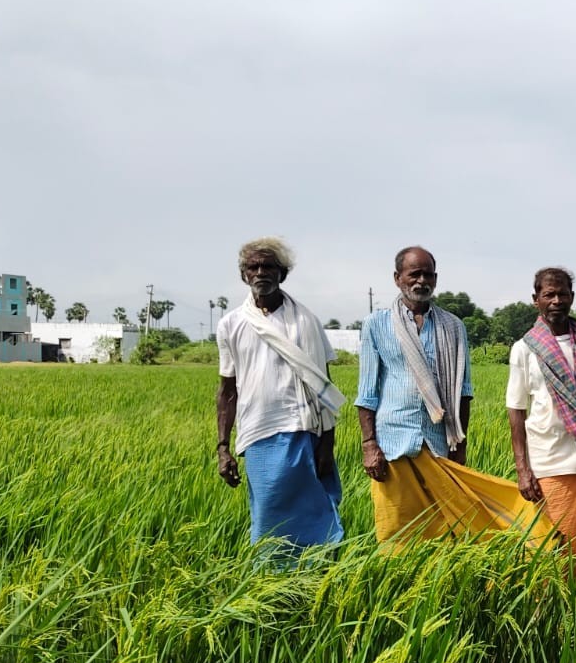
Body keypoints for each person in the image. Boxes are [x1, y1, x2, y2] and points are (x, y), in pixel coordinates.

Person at [357, 246, 552, 549]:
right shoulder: (376, 325)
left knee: (444, 524)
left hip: (438, 442)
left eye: (428, 274)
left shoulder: (453, 326)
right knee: (396, 526)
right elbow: (367, 392)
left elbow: (464, 390)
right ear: (398, 278)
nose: (422, 280)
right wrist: (370, 445)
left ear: (435, 279)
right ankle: (395, 585)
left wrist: (460, 442)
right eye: (414, 274)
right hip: (393, 443)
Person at [215, 237, 345, 556]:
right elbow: (227, 390)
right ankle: (272, 584)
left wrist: (328, 441)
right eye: (253, 267)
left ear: (282, 274)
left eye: (268, 266)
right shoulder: (231, 324)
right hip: (258, 432)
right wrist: (222, 447)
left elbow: (322, 382)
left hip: (305, 430)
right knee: (268, 515)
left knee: (314, 511)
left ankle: (319, 575)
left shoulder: (306, 321)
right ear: (244, 275)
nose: (261, 272)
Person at [507, 266, 576, 556]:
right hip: (547, 459)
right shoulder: (524, 348)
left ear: (572, 297)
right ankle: (552, 599)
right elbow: (516, 410)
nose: (556, 300)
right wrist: (523, 469)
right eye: (549, 294)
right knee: (552, 545)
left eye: (563, 294)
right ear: (536, 299)